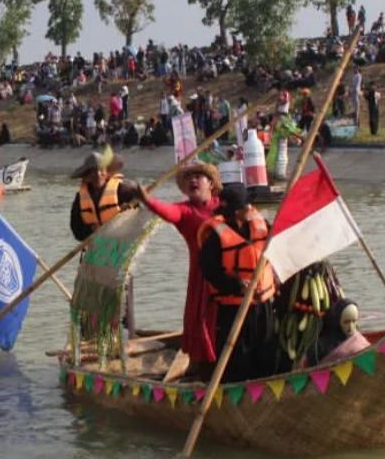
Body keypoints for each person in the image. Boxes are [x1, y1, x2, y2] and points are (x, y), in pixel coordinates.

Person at [136, 163, 223, 374]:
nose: (193, 180)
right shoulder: (184, 211)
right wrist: (147, 200)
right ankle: (200, 367)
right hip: (202, 279)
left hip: (230, 276)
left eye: (198, 176)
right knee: (201, 324)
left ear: (210, 183)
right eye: (189, 178)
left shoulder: (225, 205)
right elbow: (168, 211)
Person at [196, 184, 279, 381]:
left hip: (263, 304)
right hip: (233, 308)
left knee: (267, 353)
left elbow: (276, 251)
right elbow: (209, 270)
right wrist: (235, 285)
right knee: (238, 358)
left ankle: (266, 389)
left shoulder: (262, 226)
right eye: (246, 208)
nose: (250, 210)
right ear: (236, 211)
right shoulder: (216, 236)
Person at [68, 148, 141, 241]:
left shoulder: (124, 189)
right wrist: (91, 229)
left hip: (122, 237)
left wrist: (127, 212)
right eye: (92, 171)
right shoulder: (80, 199)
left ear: (107, 172)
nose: (98, 174)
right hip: (98, 243)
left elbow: (140, 211)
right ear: (86, 176)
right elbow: (77, 231)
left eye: (101, 170)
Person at [316, 299, 372, 365]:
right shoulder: (321, 346)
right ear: (337, 322)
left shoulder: (359, 339)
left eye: (354, 321)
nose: (351, 327)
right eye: (346, 322)